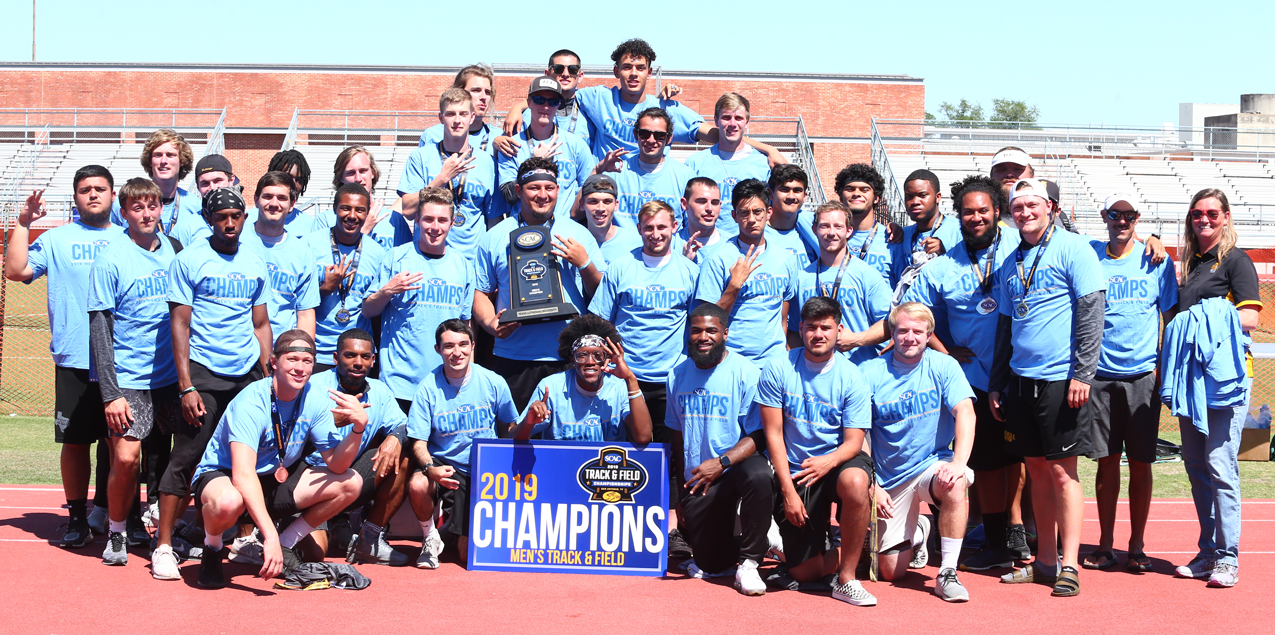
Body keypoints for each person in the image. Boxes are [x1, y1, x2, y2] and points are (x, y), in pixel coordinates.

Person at [883, 175, 1029, 571]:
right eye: (969, 211)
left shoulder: (1021, 248)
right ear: (958, 215)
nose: (976, 217)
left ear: (997, 211)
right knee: (988, 462)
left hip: (1018, 373)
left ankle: (1022, 531)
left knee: (1024, 458)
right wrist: (945, 353)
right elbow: (910, 315)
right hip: (973, 379)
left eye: (983, 210)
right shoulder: (942, 266)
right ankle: (998, 539)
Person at [988, 178, 1105, 597]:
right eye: (1017, 207)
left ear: (1051, 207)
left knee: (1062, 472)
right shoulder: (1011, 259)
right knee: (1036, 470)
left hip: (1061, 380)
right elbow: (1006, 323)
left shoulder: (1074, 249)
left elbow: (1091, 313)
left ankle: (1069, 564)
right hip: (1021, 380)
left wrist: (1082, 374)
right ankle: (1045, 562)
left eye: (1032, 205)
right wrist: (998, 381)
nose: (1025, 212)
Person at [189, 330, 367, 588]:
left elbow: (338, 465)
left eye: (307, 361)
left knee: (350, 482)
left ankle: (286, 544)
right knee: (228, 501)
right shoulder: (252, 401)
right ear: (274, 362)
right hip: (226, 476)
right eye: (292, 359)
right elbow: (242, 474)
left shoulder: (315, 397)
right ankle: (213, 549)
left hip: (272, 476)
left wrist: (358, 428)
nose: (300, 368)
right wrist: (268, 534)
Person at [156, 186, 272, 581]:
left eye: (235, 216)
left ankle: (241, 539)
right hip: (204, 372)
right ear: (209, 220)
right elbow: (180, 324)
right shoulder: (190, 260)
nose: (228, 222)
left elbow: (260, 324)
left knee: (249, 458)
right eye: (221, 216)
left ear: (245, 218)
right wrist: (186, 386)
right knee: (187, 456)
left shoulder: (255, 261)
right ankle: (165, 546)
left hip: (246, 374)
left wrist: (265, 375)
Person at [5, 166, 123, 548]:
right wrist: (23, 223)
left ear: (112, 195)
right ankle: (77, 518)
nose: (93, 195)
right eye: (85, 189)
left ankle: (120, 517)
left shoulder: (127, 238)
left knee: (120, 445)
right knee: (75, 443)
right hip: (73, 357)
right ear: (75, 197)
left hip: (121, 360)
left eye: (100, 189)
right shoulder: (56, 240)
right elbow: (16, 270)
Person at [1168, 189, 1260, 588]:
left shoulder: (1237, 261)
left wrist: (1196, 320)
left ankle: (1228, 558)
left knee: (1221, 466)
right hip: (1191, 378)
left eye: (1211, 213)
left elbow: (1251, 319)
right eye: (1196, 214)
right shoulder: (1191, 264)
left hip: (1225, 379)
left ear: (1225, 217)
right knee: (1195, 465)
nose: (1203, 220)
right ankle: (1208, 551)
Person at [1081, 194, 1178, 573]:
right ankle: (1105, 544)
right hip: (1100, 377)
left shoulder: (1156, 260)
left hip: (1142, 378)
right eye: (1114, 214)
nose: (1121, 220)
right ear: (1104, 216)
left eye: (1129, 214)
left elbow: (1170, 317)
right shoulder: (1089, 254)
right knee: (1105, 464)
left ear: (1138, 217)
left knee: (1141, 463)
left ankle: (1136, 545)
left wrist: (1163, 370)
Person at [88, 178, 183, 565]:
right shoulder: (111, 258)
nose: (147, 214)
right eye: (137, 208)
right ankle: (115, 531)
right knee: (126, 459)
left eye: (153, 206)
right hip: (128, 378)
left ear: (161, 208)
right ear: (123, 213)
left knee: (166, 458)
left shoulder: (175, 250)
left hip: (169, 377)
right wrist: (111, 393)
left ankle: (161, 529)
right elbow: (100, 328)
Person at [759, 297, 874, 606]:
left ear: (839, 331)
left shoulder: (853, 377)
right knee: (805, 572)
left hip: (838, 460)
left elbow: (853, 442)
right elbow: (774, 434)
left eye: (826, 327)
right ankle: (856, 544)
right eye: (811, 327)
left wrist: (829, 461)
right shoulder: (778, 367)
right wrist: (788, 491)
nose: (818, 334)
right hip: (798, 468)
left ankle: (848, 578)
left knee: (855, 482)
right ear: (800, 329)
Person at [860, 303, 975, 602]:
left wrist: (959, 463)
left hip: (931, 465)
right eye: (902, 330)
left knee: (954, 483)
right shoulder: (869, 372)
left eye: (917, 331)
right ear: (892, 334)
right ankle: (921, 529)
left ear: (929, 335)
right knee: (890, 572)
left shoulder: (944, 366)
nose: (909, 337)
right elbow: (857, 432)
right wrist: (873, 483)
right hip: (889, 477)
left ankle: (947, 572)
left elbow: (965, 412)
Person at [473, 157, 604, 411]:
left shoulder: (578, 234)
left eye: (549, 188)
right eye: (534, 188)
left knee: (565, 440)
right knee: (515, 438)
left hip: (568, 355)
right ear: (520, 190)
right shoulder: (495, 236)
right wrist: (491, 324)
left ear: (558, 190)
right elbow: (481, 293)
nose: (542, 195)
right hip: (514, 355)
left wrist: (584, 264)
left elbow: (600, 294)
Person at [590, 199, 698, 485]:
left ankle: (673, 517)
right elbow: (600, 321)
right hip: (626, 376)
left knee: (671, 454)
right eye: (648, 228)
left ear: (675, 227)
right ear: (638, 229)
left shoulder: (690, 271)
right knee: (624, 454)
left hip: (671, 378)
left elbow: (697, 325)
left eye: (662, 227)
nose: (656, 233)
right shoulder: (621, 267)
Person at [665, 303, 769, 596]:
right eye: (696, 330)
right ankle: (766, 535)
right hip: (699, 479)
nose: (703, 336)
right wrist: (681, 496)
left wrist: (722, 462)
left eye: (711, 330)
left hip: (734, 468)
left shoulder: (747, 372)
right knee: (709, 565)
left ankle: (750, 562)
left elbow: (759, 435)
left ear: (725, 332)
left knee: (760, 473)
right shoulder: (676, 376)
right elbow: (677, 438)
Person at [405, 319, 520, 568]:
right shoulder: (426, 388)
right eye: (448, 346)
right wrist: (430, 469)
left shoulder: (494, 381)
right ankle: (430, 538)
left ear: (473, 346)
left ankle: (452, 532)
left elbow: (509, 427)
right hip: (445, 465)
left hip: (484, 469)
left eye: (463, 344)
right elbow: (418, 443)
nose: (457, 352)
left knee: (469, 556)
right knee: (416, 483)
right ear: (438, 350)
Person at [304, 329, 411, 567]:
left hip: (351, 480)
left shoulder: (380, 390)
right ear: (335, 358)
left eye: (364, 357)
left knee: (403, 454)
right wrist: (328, 423)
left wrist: (394, 437)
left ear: (373, 360)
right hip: (309, 481)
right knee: (315, 554)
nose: (358, 363)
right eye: (350, 355)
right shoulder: (312, 386)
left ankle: (368, 540)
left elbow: (404, 424)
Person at [364, 187, 473, 403]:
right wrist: (388, 290)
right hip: (400, 384)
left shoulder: (463, 265)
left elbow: (466, 327)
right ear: (417, 220)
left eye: (442, 220)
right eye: (428, 219)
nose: (435, 227)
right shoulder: (396, 257)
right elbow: (368, 310)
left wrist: (468, 376)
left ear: (452, 223)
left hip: (446, 383)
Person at [694, 179, 797, 366]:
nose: (751, 219)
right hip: (732, 362)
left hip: (774, 363)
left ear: (769, 213)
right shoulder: (717, 259)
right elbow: (706, 324)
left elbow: (783, 319)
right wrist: (733, 287)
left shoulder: (786, 259)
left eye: (758, 212)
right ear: (734, 216)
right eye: (744, 213)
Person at [514, 315, 654, 444]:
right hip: (561, 464)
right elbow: (514, 439)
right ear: (572, 360)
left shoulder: (620, 387)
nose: (590, 361)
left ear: (607, 359)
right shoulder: (550, 387)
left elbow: (643, 437)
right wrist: (529, 422)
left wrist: (630, 379)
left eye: (598, 355)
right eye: (582, 355)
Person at [787, 201, 890, 365]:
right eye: (824, 226)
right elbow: (793, 330)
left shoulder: (867, 274)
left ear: (849, 231)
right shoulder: (802, 277)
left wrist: (857, 339)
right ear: (814, 230)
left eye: (838, 226)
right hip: (813, 373)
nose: (831, 233)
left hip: (858, 370)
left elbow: (889, 322)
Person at [496, 77, 613, 222]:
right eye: (539, 99)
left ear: (558, 105)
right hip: (524, 228)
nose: (546, 106)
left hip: (565, 229)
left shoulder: (576, 144)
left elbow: (587, 193)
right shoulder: (512, 145)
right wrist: (536, 164)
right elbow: (508, 196)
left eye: (552, 102)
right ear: (529, 103)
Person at [397, 88, 496, 256]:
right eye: (450, 114)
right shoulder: (421, 157)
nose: (457, 120)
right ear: (441, 118)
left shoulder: (487, 162)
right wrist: (441, 179)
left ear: (472, 117)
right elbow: (407, 210)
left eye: (463, 114)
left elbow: (493, 219)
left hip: (471, 261)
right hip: (426, 259)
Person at [303, 183, 390, 374]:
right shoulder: (310, 245)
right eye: (345, 208)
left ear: (368, 213)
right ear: (334, 209)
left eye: (360, 210)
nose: (352, 215)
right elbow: (296, 302)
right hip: (317, 351)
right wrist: (325, 289)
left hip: (357, 354)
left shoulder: (378, 253)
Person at [241, 171, 320, 339]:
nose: (274, 203)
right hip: (238, 346)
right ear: (256, 200)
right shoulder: (238, 241)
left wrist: (302, 353)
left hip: (281, 349)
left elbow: (305, 313)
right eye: (267, 196)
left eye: (282, 198)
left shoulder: (303, 253)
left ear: (292, 204)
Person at [683, 93, 772, 236]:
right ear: (716, 121)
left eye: (738, 118)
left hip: (748, 245)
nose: (732, 124)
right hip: (706, 246)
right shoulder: (695, 163)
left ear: (747, 122)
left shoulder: (763, 164)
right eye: (726, 117)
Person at [612, 108, 695, 228]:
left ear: (669, 138)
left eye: (659, 135)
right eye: (644, 134)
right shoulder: (616, 172)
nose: (651, 140)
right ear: (636, 134)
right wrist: (597, 170)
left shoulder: (685, 176)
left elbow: (691, 225)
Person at [110, 129, 201, 233]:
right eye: (158, 155)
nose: (163, 161)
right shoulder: (124, 204)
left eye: (170, 155)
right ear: (149, 161)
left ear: (182, 161)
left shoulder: (195, 206)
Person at [890, 170, 962, 293]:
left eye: (922, 195)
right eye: (909, 196)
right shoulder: (902, 234)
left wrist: (945, 255)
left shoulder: (959, 230)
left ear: (938, 197)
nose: (915, 202)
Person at [418, 64, 502, 154]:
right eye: (476, 90)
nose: (483, 97)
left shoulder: (499, 136)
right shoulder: (432, 135)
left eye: (488, 92)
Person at [838, 164, 894, 285]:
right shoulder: (829, 236)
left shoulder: (892, 239)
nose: (856, 193)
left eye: (864, 190)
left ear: (876, 198)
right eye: (850, 189)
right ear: (841, 197)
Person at [168, 154, 240, 247]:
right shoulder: (184, 229)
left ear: (231, 180)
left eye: (218, 180)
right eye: (205, 183)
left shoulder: (249, 225)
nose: (212, 188)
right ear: (198, 187)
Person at [246, 149, 320, 237]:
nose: (294, 184)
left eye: (299, 180)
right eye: (287, 177)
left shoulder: (311, 225)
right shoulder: (246, 220)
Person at [578, 174, 642, 266]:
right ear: (581, 204)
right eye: (593, 201)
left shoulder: (636, 242)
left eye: (607, 201)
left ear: (616, 205)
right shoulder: (575, 242)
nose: (600, 208)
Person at [765, 165, 816, 265]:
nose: (791, 196)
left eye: (797, 191)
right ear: (771, 194)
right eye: (784, 190)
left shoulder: (813, 229)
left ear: (805, 196)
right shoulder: (757, 234)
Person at [676, 177, 731, 262]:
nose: (709, 208)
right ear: (684, 204)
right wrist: (684, 262)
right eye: (701, 201)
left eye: (715, 203)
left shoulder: (733, 245)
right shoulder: (670, 245)